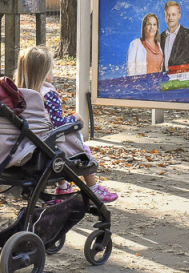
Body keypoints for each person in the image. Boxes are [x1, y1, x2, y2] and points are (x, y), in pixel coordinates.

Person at [15, 46, 119, 203]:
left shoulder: (18, 92)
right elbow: (58, 124)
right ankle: (93, 189)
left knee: (56, 148)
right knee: (82, 150)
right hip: (48, 147)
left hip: (28, 147)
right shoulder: (48, 94)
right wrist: (74, 119)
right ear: (43, 72)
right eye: (51, 69)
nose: (53, 73)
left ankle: (63, 188)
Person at [159, 1, 189, 70]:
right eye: (168, 14)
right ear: (164, 15)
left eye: (173, 14)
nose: (170, 17)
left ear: (179, 15)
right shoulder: (160, 38)